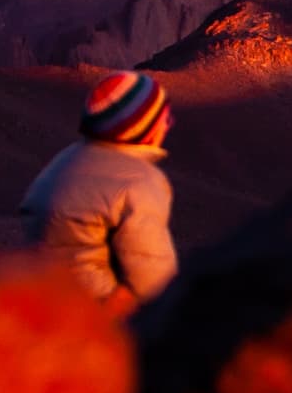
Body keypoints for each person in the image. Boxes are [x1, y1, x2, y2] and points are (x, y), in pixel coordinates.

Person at [19, 70, 178, 313]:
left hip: (45, 297)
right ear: (140, 126)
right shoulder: (138, 180)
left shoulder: (64, 161)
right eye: (164, 119)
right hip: (101, 313)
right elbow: (152, 275)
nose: (169, 125)